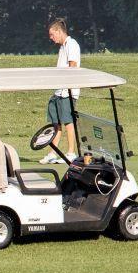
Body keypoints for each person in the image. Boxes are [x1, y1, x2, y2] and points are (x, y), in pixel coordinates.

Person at [44, 18, 81, 164]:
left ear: (59, 32)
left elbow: (72, 66)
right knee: (56, 123)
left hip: (68, 91)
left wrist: (66, 86)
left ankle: (71, 152)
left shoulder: (72, 44)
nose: (51, 38)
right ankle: (53, 152)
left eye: (52, 35)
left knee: (68, 121)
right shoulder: (62, 47)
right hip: (59, 91)